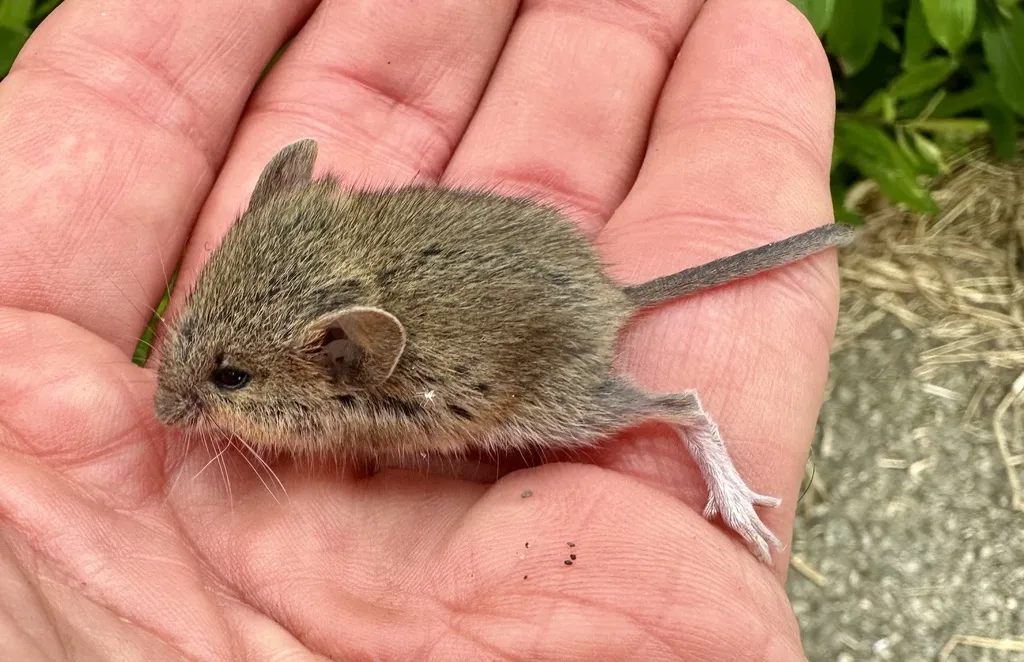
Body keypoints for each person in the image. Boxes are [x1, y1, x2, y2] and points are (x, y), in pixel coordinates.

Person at [0, 0, 839, 659]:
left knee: (570, 414)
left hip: (530, 347)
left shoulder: (343, 379)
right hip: (530, 261)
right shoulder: (318, 294)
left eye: (230, 381)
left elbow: (347, 429)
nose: (195, 396)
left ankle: (688, 423)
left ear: (343, 355)